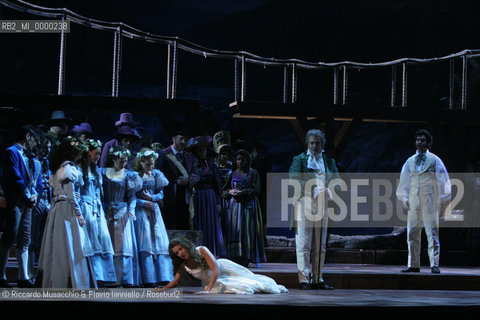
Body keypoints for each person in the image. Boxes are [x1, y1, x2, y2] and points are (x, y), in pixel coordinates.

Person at [36, 137, 96, 289]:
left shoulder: (59, 168)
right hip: (66, 210)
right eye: (79, 153)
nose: (80, 156)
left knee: (57, 243)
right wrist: (79, 214)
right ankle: (69, 280)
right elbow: (70, 194)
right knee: (70, 242)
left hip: (57, 209)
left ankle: (55, 279)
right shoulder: (68, 168)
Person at [289, 129, 339, 290]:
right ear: (307, 144)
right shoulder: (300, 160)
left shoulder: (329, 161)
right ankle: (304, 279)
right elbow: (294, 179)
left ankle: (317, 278)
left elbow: (337, 180)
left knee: (320, 244)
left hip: (323, 205)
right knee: (304, 243)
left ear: (322, 144)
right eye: (312, 142)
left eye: (317, 143)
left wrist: (331, 191)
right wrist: (314, 189)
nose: (314, 146)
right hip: (304, 203)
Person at [396, 129, 451, 274]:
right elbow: (404, 181)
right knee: (412, 232)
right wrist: (404, 197)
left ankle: (434, 264)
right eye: (418, 140)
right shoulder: (410, 161)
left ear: (428, 143)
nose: (420, 143)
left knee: (431, 233)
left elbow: (444, 181)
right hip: (414, 200)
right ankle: (413, 264)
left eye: (423, 140)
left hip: (430, 201)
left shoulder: (435, 160)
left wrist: (442, 201)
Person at [155, 237, 287, 294]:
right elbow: (176, 281)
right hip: (211, 280)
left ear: (185, 246)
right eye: (177, 253)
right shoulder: (183, 264)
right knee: (238, 287)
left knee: (249, 281)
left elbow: (215, 269)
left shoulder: (201, 250)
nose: (180, 253)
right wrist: (163, 289)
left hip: (223, 270)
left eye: (181, 249)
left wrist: (207, 290)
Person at [0, 125, 42, 288]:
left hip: (28, 202)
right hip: (16, 200)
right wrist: (27, 194)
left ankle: (23, 276)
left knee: (25, 237)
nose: (36, 144)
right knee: (10, 235)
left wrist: (35, 195)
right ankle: (1, 274)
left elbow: (36, 181)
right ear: (27, 136)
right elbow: (14, 177)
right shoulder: (12, 152)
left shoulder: (32, 158)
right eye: (34, 140)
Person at [100, 146, 142, 287]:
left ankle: (123, 278)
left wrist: (131, 210)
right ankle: (107, 277)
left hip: (122, 212)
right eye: (121, 161)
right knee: (108, 243)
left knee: (121, 244)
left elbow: (132, 197)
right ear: (114, 159)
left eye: (125, 161)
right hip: (107, 211)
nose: (123, 164)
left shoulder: (129, 175)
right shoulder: (104, 172)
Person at [132, 148, 173, 287]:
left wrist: (152, 198)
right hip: (141, 211)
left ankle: (163, 276)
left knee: (158, 240)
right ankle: (148, 278)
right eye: (147, 164)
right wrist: (144, 202)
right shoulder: (136, 176)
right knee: (146, 242)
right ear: (141, 163)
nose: (150, 166)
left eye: (152, 163)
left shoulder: (157, 174)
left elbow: (161, 193)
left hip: (154, 211)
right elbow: (131, 197)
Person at [78, 138, 117, 286]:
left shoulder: (95, 170)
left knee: (102, 238)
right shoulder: (80, 168)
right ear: (88, 153)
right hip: (86, 206)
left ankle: (103, 276)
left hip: (96, 207)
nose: (99, 157)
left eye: (100, 154)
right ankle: (90, 275)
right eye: (96, 153)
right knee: (91, 239)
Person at [222, 144, 266, 267]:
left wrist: (242, 192)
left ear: (248, 160)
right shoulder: (232, 173)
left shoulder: (253, 173)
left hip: (248, 206)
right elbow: (223, 190)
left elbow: (256, 190)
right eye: (238, 159)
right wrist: (230, 192)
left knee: (247, 230)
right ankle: (235, 255)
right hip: (235, 207)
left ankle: (247, 256)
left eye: (243, 159)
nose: (240, 162)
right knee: (235, 230)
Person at [187, 136, 226, 258]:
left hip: (210, 198)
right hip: (198, 198)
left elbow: (217, 186)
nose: (203, 152)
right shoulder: (192, 166)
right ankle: (200, 254)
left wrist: (219, 202)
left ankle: (213, 253)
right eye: (200, 150)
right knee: (199, 223)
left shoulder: (212, 166)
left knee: (212, 226)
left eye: (204, 150)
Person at [158, 131, 199, 230]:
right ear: (173, 139)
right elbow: (158, 176)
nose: (184, 141)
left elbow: (197, 175)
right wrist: (175, 182)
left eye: (186, 139)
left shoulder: (190, 156)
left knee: (184, 227)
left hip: (185, 199)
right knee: (168, 227)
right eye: (181, 138)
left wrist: (188, 180)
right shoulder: (163, 155)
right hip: (168, 198)